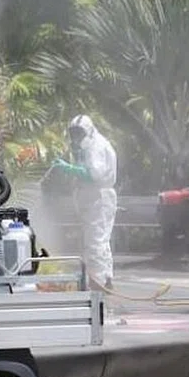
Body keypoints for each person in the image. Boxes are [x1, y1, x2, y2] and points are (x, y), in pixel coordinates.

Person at [52, 114, 118, 291]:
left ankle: (97, 283)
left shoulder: (95, 147)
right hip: (96, 196)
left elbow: (94, 175)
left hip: (97, 197)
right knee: (101, 239)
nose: (75, 138)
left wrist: (68, 168)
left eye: (79, 134)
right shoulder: (92, 145)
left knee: (94, 241)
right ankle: (105, 278)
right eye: (73, 134)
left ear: (88, 132)